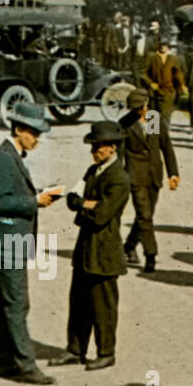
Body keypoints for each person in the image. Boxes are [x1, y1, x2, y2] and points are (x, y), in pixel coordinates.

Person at [0, 102, 62, 385]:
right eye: (33, 133)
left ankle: (5, 362)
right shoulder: (5, 157)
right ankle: (25, 365)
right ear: (18, 129)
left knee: (7, 302)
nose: (37, 139)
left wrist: (39, 195)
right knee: (17, 303)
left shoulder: (10, 154)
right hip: (7, 242)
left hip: (9, 240)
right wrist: (35, 202)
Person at [50, 122, 132, 372]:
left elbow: (101, 215)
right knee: (79, 301)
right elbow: (73, 199)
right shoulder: (93, 170)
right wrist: (87, 204)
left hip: (104, 250)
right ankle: (75, 349)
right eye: (93, 146)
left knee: (104, 305)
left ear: (112, 148)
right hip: (86, 248)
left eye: (97, 147)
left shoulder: (119, 178)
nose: (93, 151)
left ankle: (106, 352)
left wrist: (85, 206)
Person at [119, 89, 179, 274]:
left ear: (147, 104)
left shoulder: (154, 119)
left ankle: (128, 246)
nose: (141, 112)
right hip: (135, 176)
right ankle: (150, 255)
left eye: (142, 108)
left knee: (146, 216)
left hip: (154, 174)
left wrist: (173, 173)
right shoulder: (125, 123)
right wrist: (120, 179)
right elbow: (120, 155)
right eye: (136, 109)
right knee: (145, 215)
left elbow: (166, 147)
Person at [142, 36, 185, 125]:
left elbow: (178, 74)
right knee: (153, 118)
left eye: (165, 45)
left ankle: (164, 137)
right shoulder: (152, 58)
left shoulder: (173, 59)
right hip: (154, 92)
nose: (162, 47)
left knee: (165, 117)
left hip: (168, 92)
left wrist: (181, 86)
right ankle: (152, 137)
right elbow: (143, 73)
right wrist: (151, 84)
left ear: (168, 47)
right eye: (161, 45)